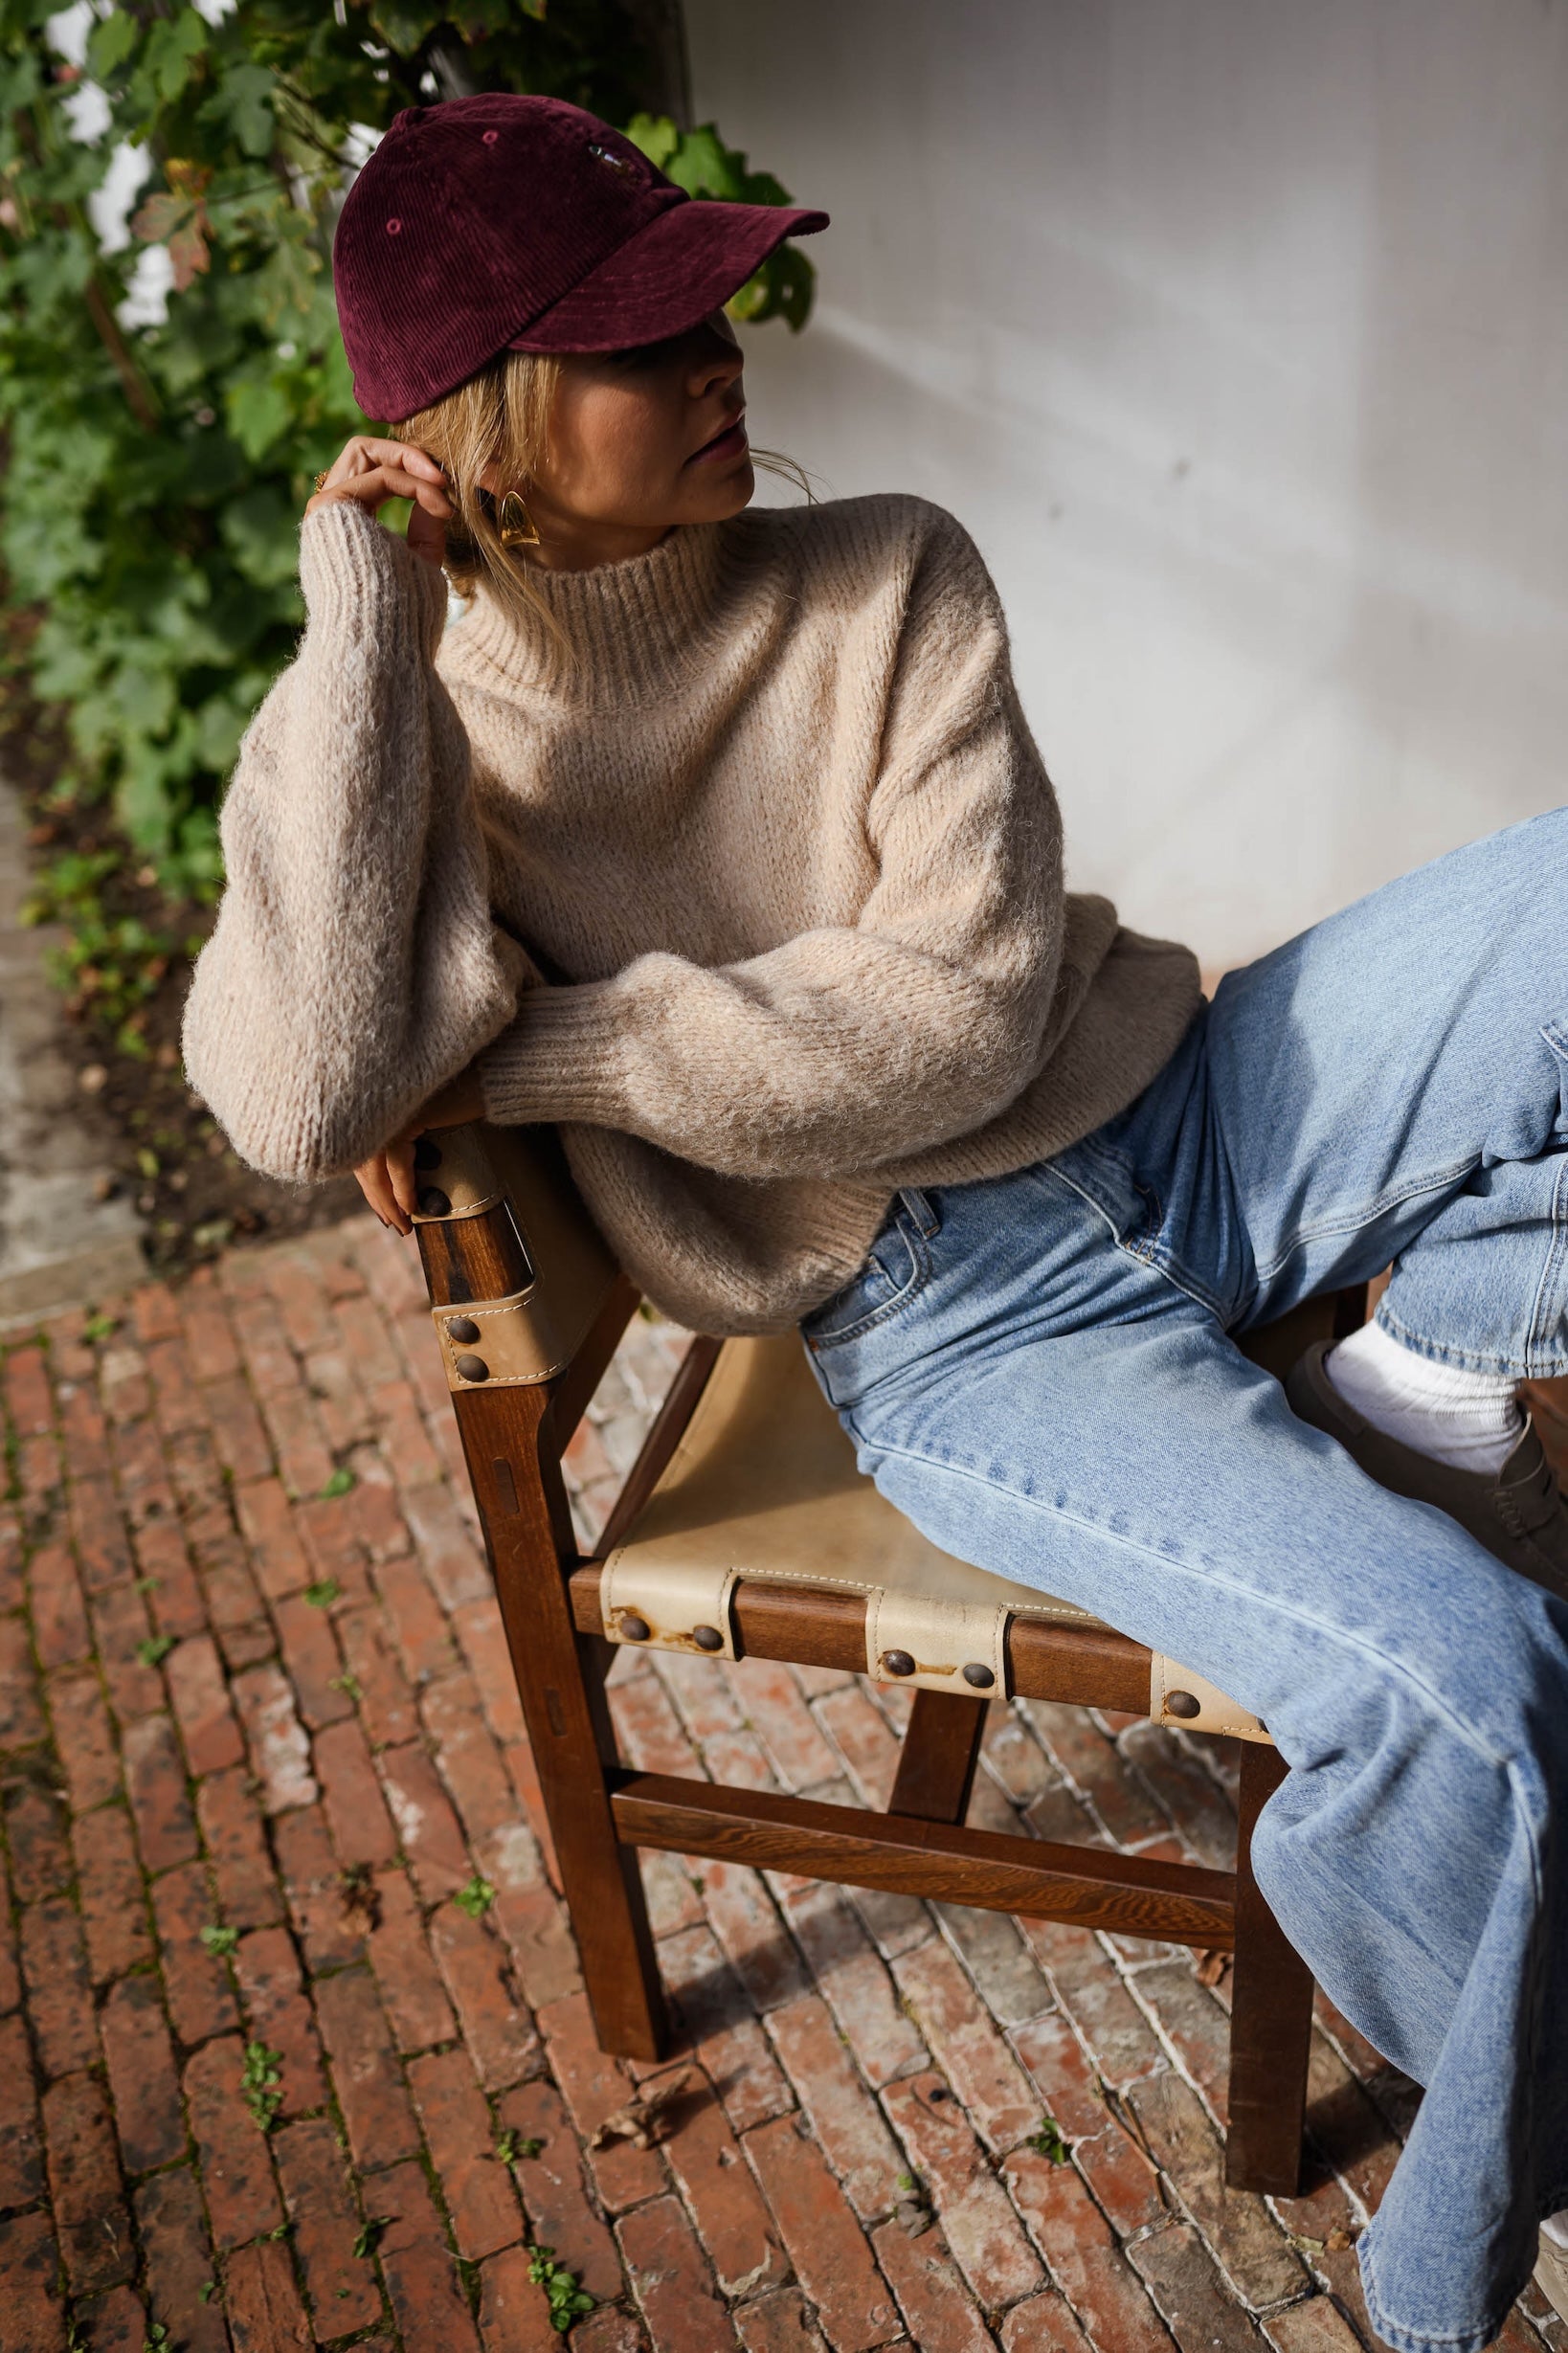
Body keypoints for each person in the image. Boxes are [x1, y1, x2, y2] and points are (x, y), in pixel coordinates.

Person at [182, 91, 1568, 2353]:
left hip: (1188, 1111)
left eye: (717, 301)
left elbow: (961, 1010)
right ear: (491, 423)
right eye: (650, 336)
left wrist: (537, 1044)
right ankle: (1450, 2287)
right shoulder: (399, 730)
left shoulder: (885, 567)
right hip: (957, 1331)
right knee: (1489, 1695)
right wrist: (360, 626)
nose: (728, 353)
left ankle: (1427, 1366)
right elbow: (296, 1085)